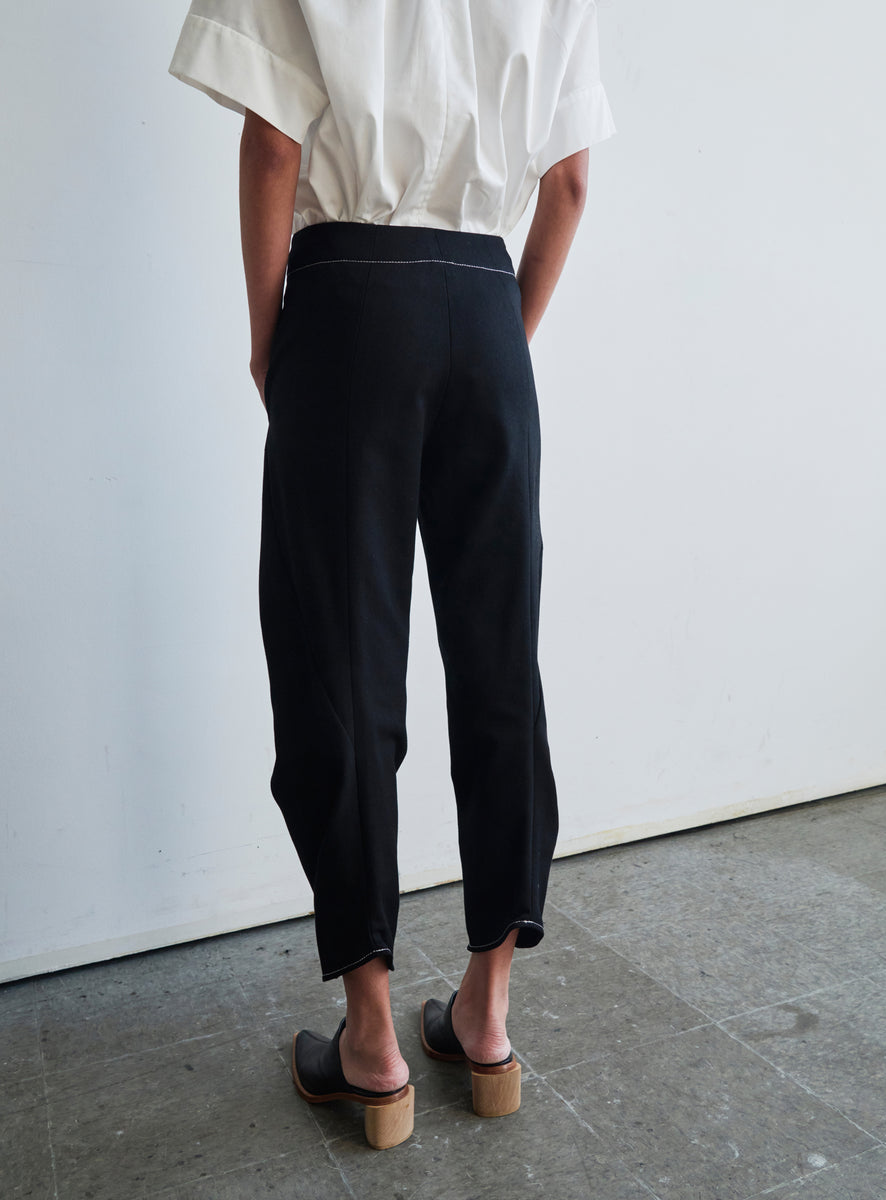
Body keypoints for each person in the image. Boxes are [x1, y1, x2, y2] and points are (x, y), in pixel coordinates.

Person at [169, 0, 615, 1149]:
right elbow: (566, 184)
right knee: (500, 667)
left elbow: (273, 143)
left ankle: (370, 1043)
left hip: (347, 300)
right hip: (482, 309)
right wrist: (494, 336)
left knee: (340, 665)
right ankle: (487, 1017)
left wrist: (272, 339)